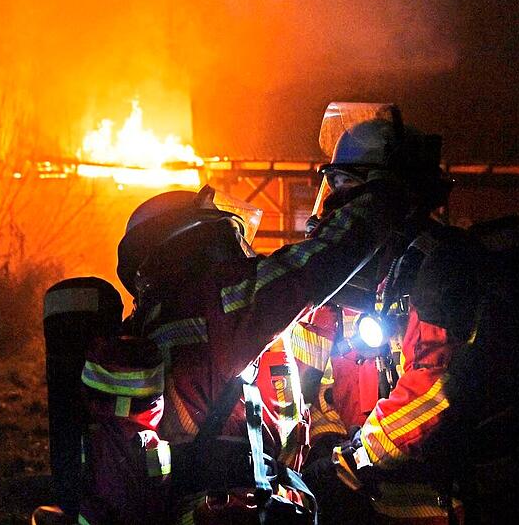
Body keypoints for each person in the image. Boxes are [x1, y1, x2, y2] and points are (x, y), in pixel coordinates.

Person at [300, 103, 519, 525]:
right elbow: (324, 377)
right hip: (373, 494)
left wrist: (352, 460)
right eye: (332, 182)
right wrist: (325, 440)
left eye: (343, 183)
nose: (334, 200)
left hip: (444, 497)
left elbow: (435, 385)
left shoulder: (443, 262)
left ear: (384, 193)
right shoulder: (361, 271)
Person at [115, 167, 409, 522]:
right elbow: (316, 263)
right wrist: (386, 194)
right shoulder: (219, 300)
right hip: (235, 508)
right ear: (199, 239)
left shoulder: (150, 320)